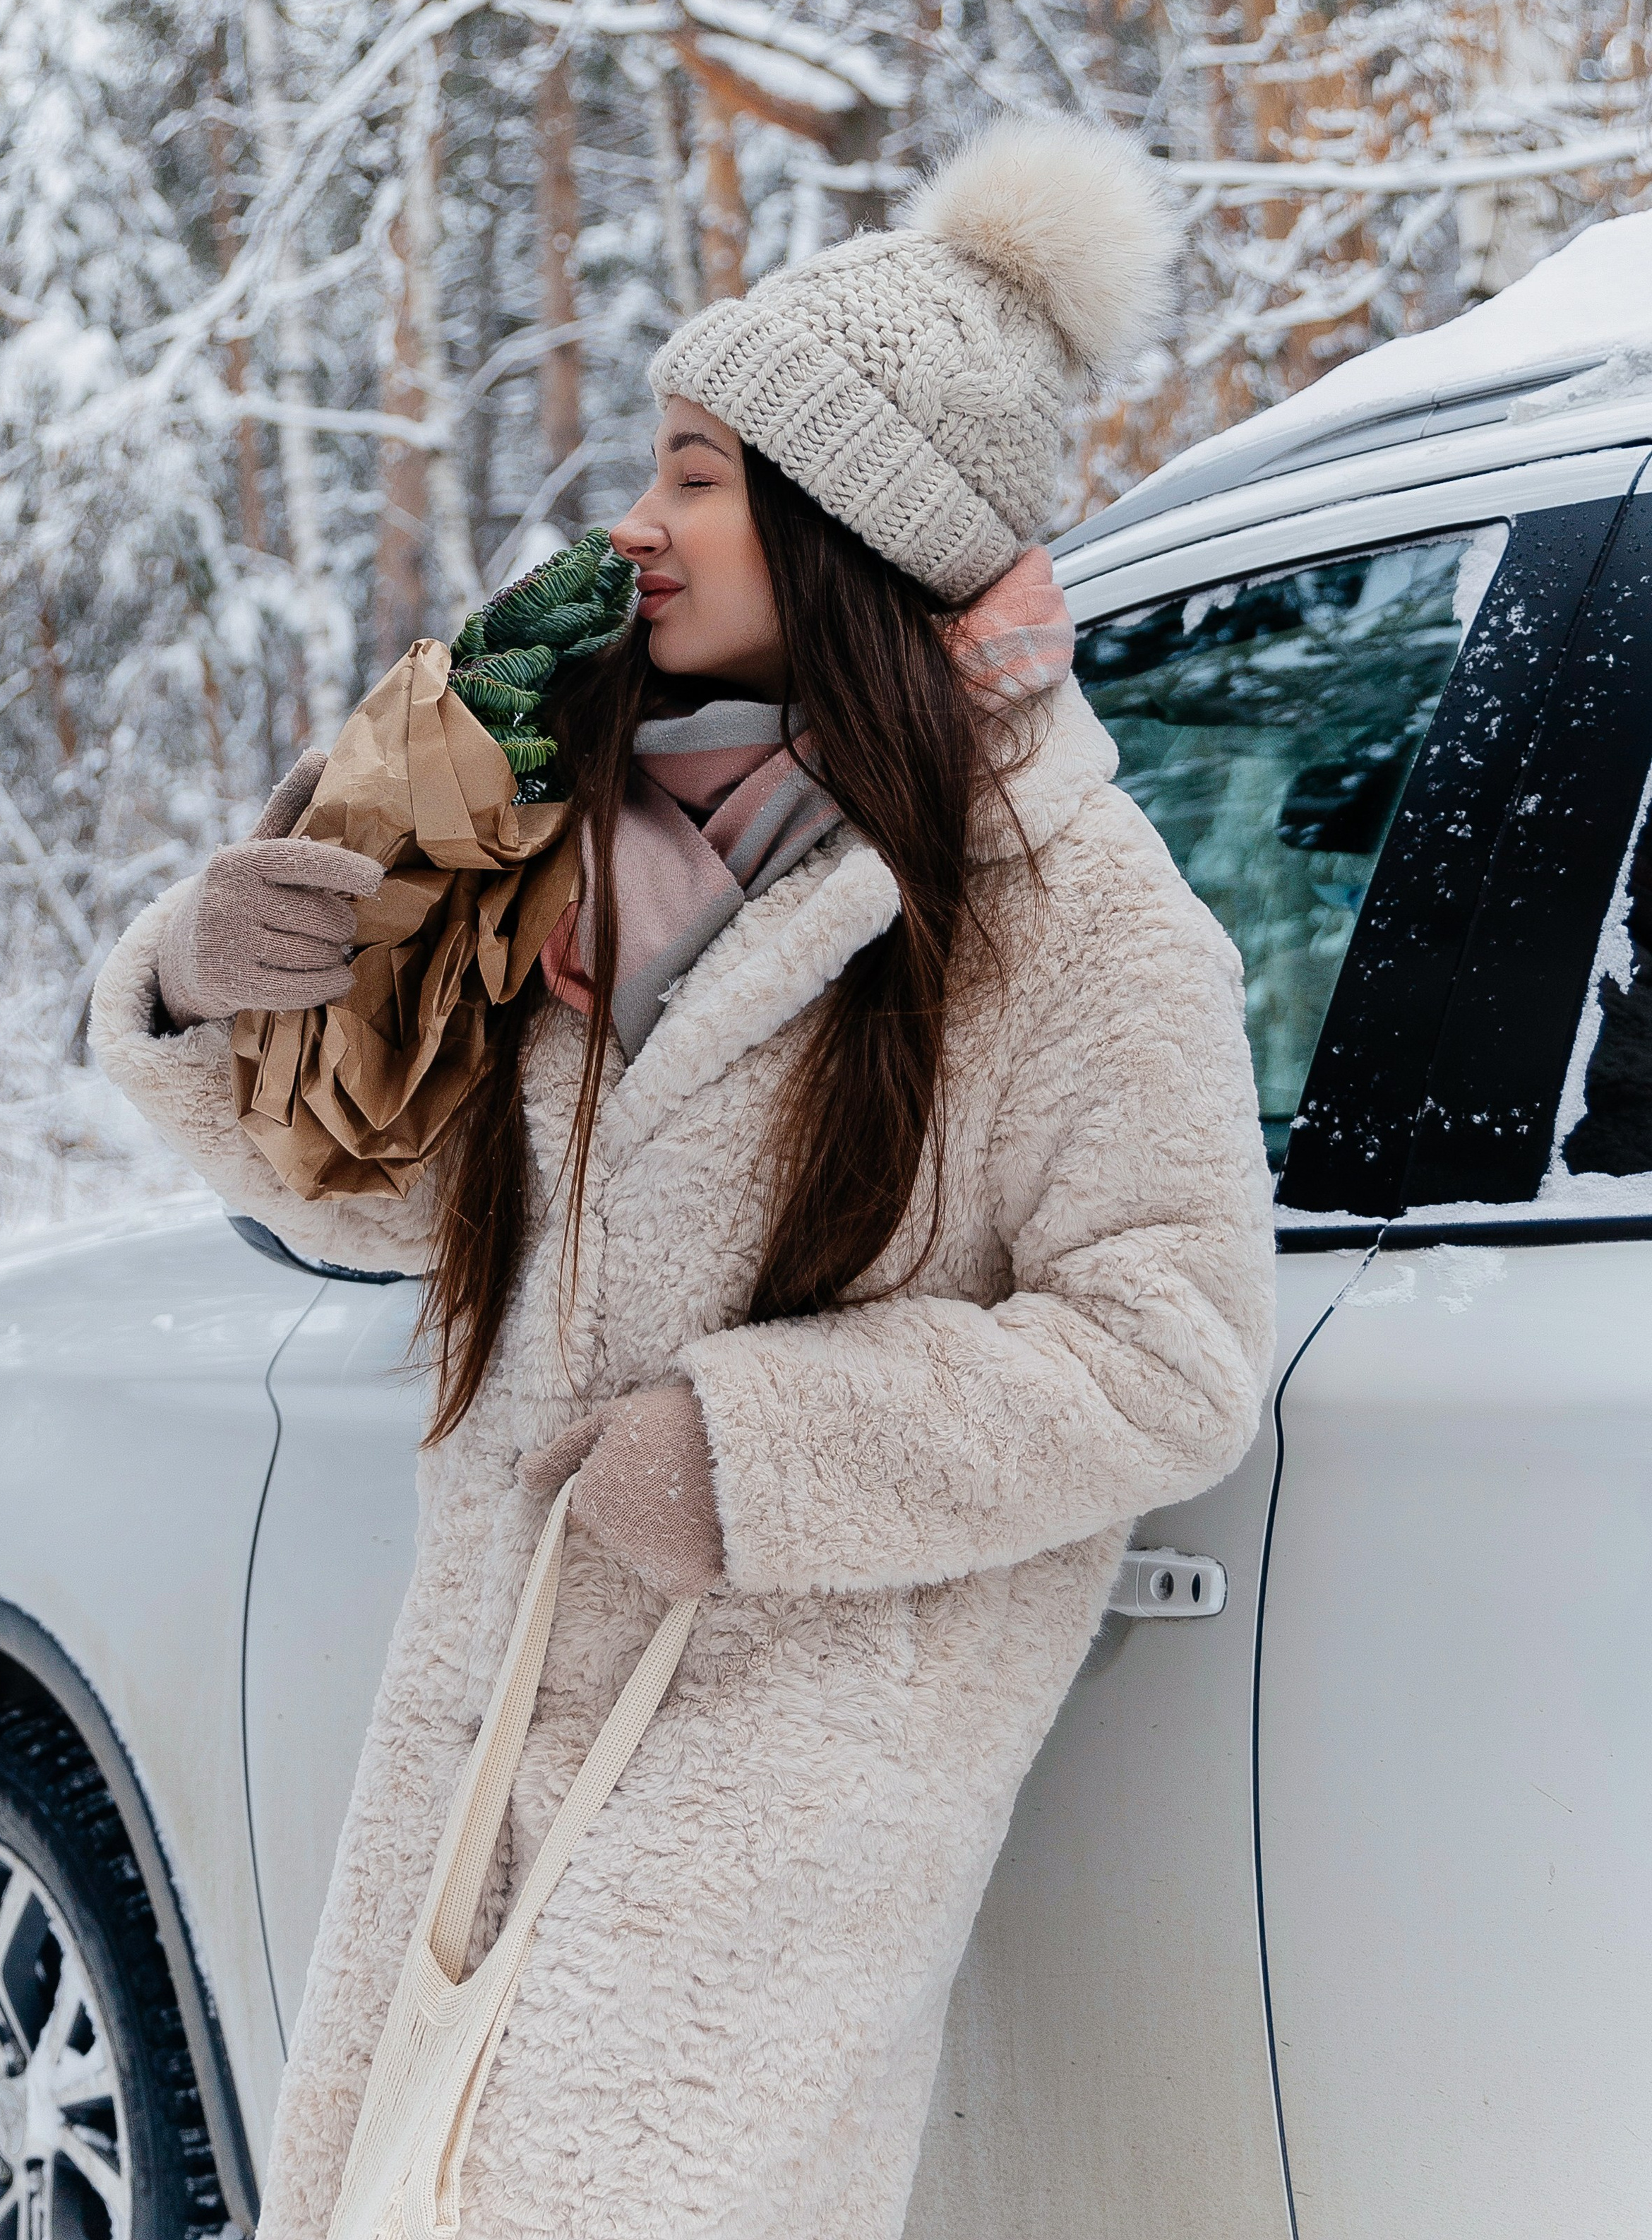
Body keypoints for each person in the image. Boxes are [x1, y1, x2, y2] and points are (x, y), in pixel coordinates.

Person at [92, 112, 1276, 2240]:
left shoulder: (1078, 917)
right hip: (483, 1747)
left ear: (845, 522)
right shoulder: (585, 848)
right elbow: (421, 1216)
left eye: (697, 477)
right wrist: (201, 989)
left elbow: (1173, 1347)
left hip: (775, 1792)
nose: (634, 524)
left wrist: (753, 1452)